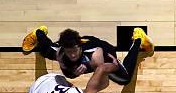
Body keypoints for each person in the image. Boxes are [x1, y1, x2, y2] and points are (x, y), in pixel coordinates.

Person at [21, 26, 153, 85]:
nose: (72, 55)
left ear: (79, 46)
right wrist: (69, 69)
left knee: (125, 79)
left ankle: (138, 39)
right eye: (69, 51)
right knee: (47, 51)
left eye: (74, 50)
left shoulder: (97, 57)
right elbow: (69, 75)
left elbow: (103, 83)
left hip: (105, 53)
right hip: (83, 46)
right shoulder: (62, 53)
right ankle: (38, 32)